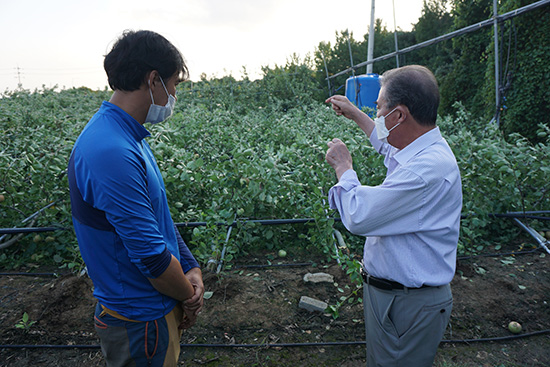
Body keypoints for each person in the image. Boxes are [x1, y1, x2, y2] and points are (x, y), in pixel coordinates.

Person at [68, 30, 204, 367]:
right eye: (173, 84)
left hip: (151, 314)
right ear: (153, 79)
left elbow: (158, 218)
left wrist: (190, 266)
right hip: (139, 321)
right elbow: (152, 259)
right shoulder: (110, 151)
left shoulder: (129, 137)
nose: (173, 94)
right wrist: (190, 298)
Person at [325, 65, 462, 366]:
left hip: (407, 304)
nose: (376, 115)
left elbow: (359, 216)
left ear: (399, 115)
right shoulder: (422, 150)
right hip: (396, 297)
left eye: (379, 108)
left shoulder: (424, 171)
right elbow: (388, 145)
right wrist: (354, 114)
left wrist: (343, 168)